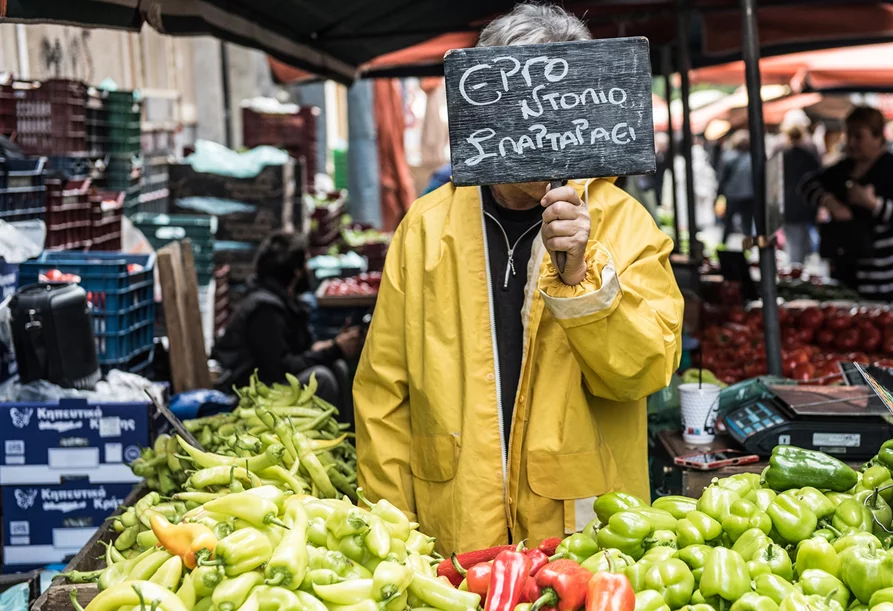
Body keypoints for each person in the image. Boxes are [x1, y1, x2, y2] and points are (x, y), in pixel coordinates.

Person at [352, 4, 685, 555]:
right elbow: (383, 392)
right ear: (486, 109)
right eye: (525, 111)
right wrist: (392, 534)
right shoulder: (426, 227)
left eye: (558, 110)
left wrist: (581, 276)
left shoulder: (625, 223)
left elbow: (644, 373)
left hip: (581, 537)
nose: (543, 129)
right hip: (452, 534)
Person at [212, 233, 363, 405]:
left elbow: (297, 351)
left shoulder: (282, 300)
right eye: (305, 263)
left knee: (337, 366)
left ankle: (345, 424)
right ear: (296, 272)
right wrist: (333, 350)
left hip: (274, 378)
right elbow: (281, 369)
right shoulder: (265, 310)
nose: (308, 269)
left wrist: (332, 346)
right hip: (253, 391)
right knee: (322, 379)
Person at [800, 106, 893, 302]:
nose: (851, 142)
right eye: (848, 135)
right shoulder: (843, 168)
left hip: (890, 285)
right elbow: (807, 184)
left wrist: (873, 204)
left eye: (858, 136)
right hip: (848, 281)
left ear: (877, 136)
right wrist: (831, 203)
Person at [777, 121, 821, 264]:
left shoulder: (783, 156)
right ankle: (798, 268)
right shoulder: (809, 155)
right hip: (805, 204)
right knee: (801, 242)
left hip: (788, 204)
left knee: (794, 244)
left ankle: (796, 269)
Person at [717, 130, 754, 240]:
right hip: (748, 194)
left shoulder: (728, 157)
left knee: (728, 222)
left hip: (733, 194)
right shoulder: (751, 157)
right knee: (747, 223)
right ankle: (747, 245)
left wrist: (719, 193)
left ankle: (723, 243)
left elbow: (722, 177)